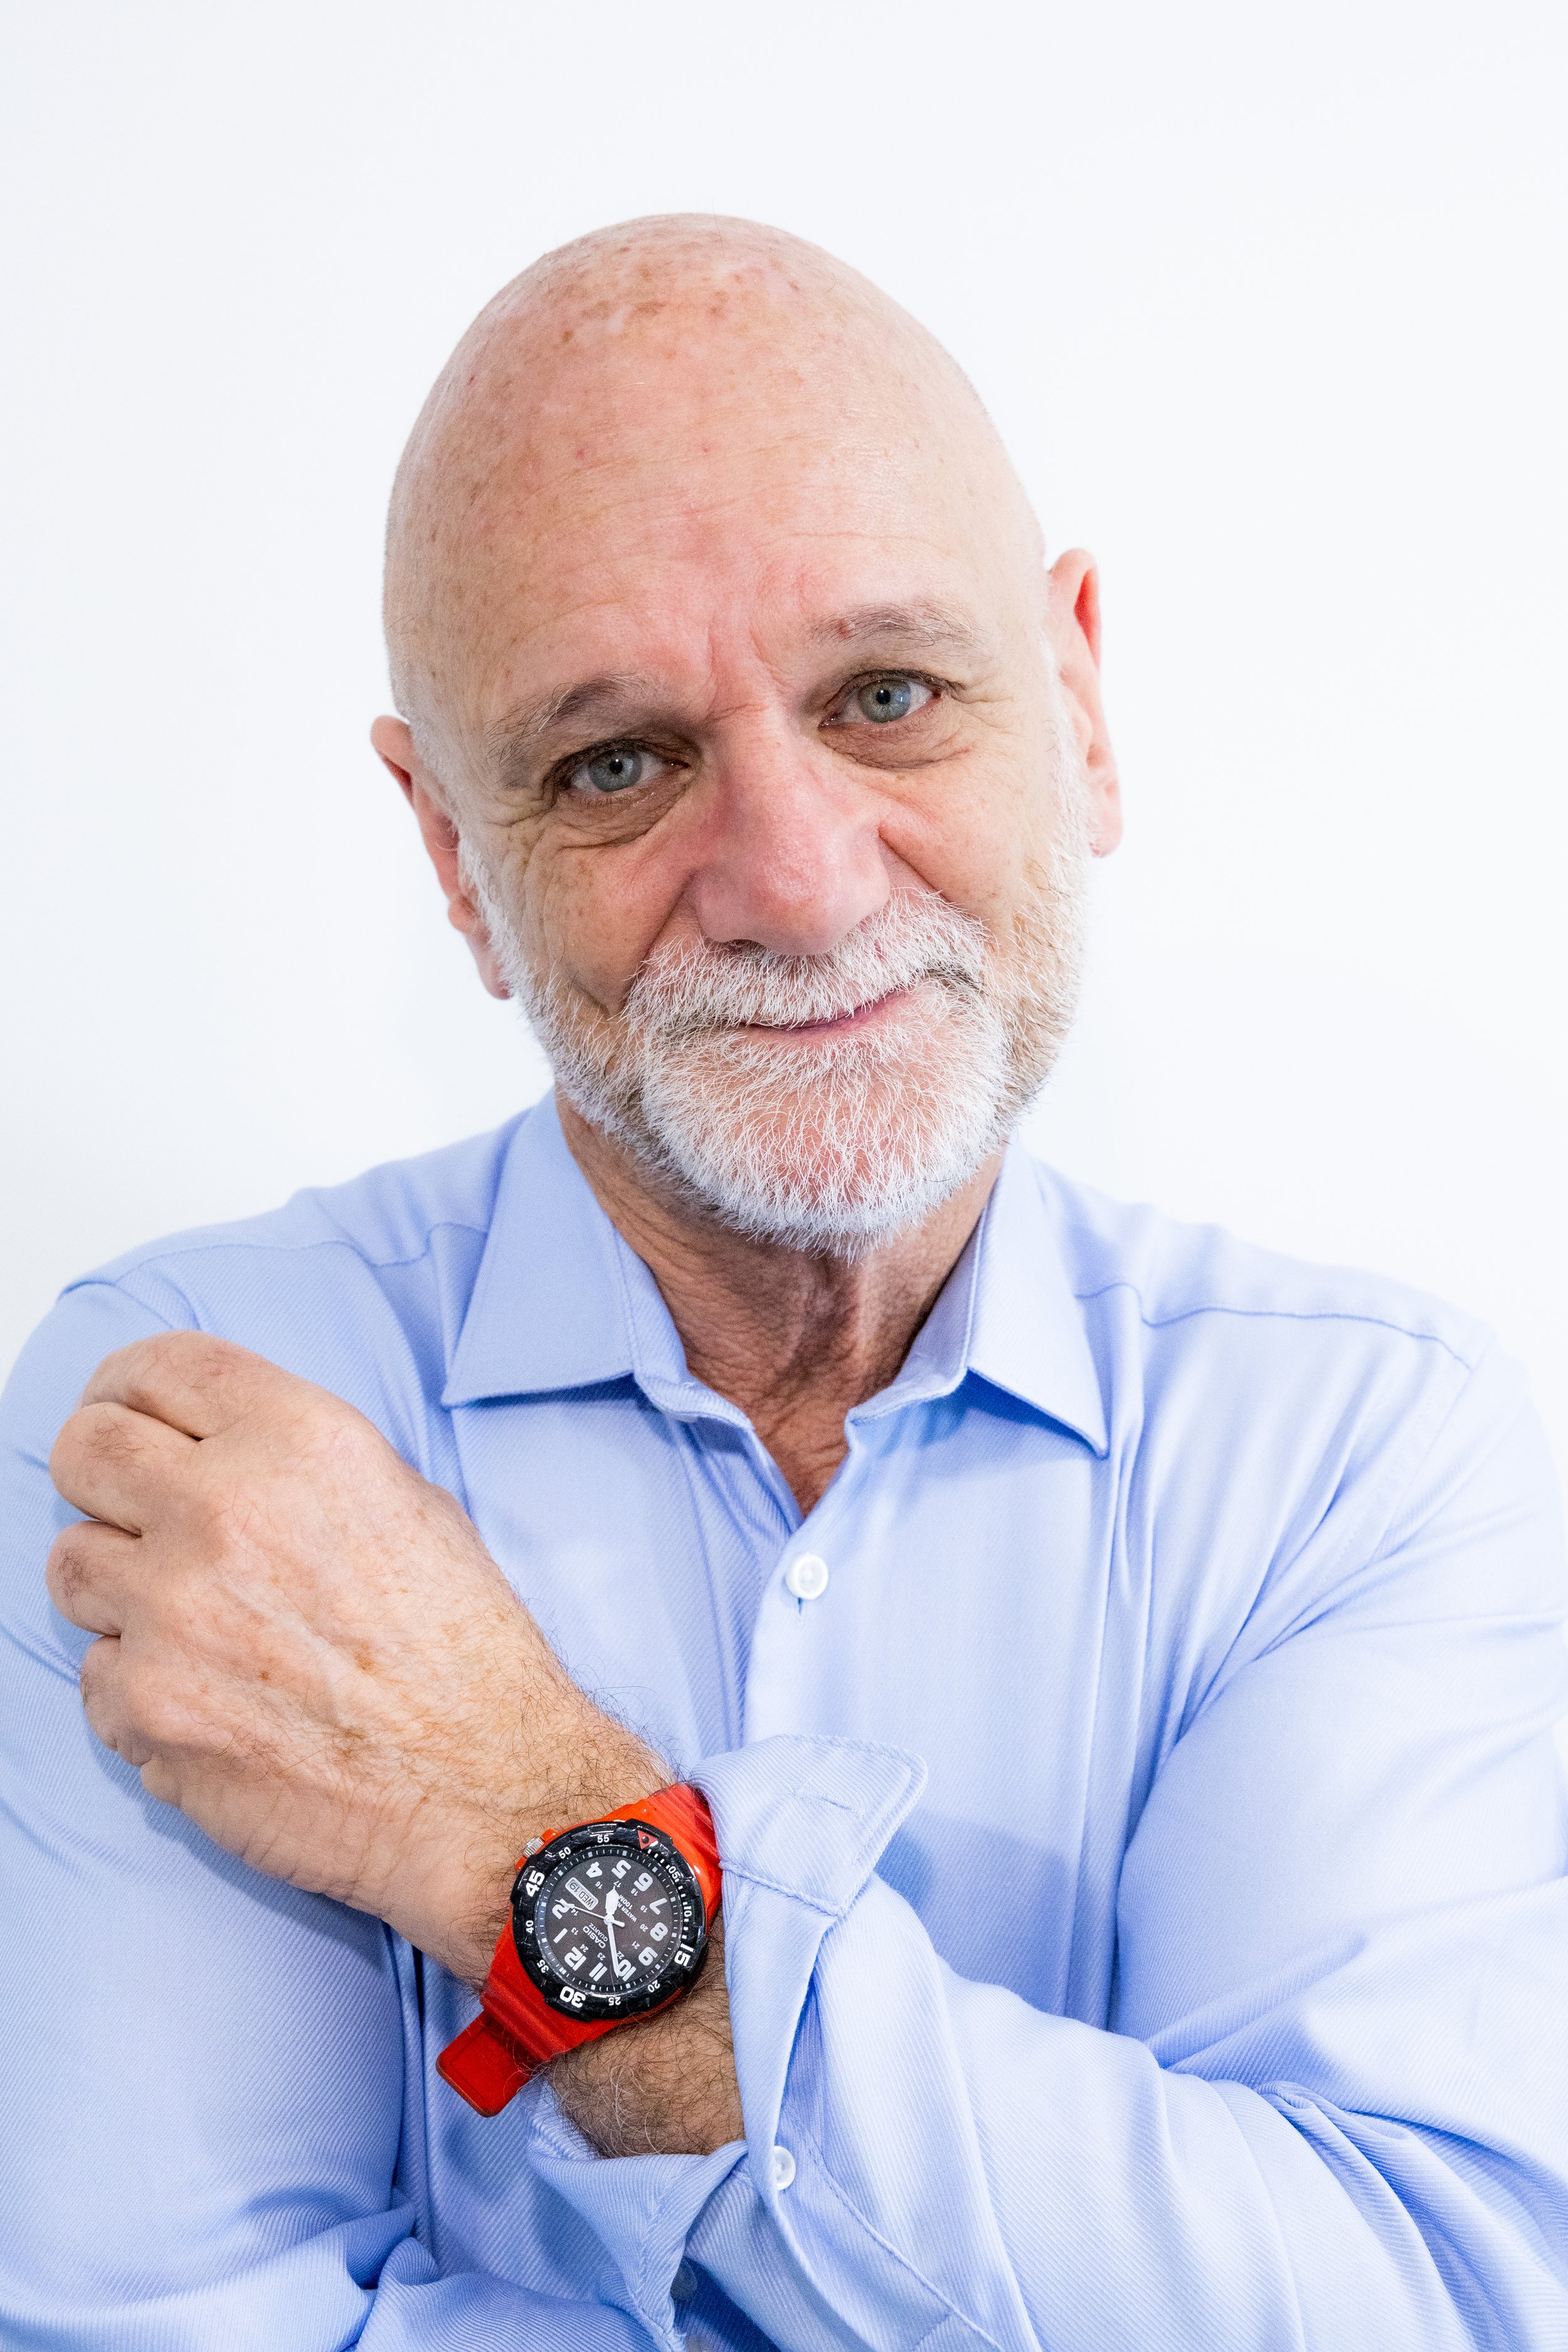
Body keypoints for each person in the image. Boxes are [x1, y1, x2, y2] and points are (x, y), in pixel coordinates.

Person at [2, 215, 1565, 2352]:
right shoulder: (190, 1423)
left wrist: (524, 1823)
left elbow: (1423, 2304)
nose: (799, 884)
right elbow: (154, 2331)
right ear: (453, 853)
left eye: (886, 697)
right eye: (616, 762)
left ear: (1077, 703)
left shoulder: (1363, 1453)